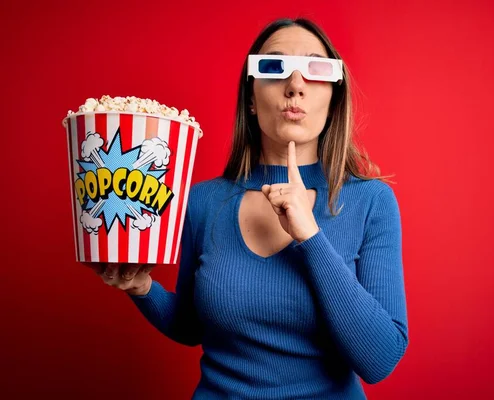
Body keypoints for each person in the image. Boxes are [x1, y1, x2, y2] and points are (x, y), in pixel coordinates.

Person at [87, 17, 409, 400]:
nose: (295, 86)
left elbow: (381, 358)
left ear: (333, 98)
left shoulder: (371, 202)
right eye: (273, 67)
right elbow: (192, 326)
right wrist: (142, 289)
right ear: (252, 100)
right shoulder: (204, 201)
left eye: (315, 69)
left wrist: (310, 236)